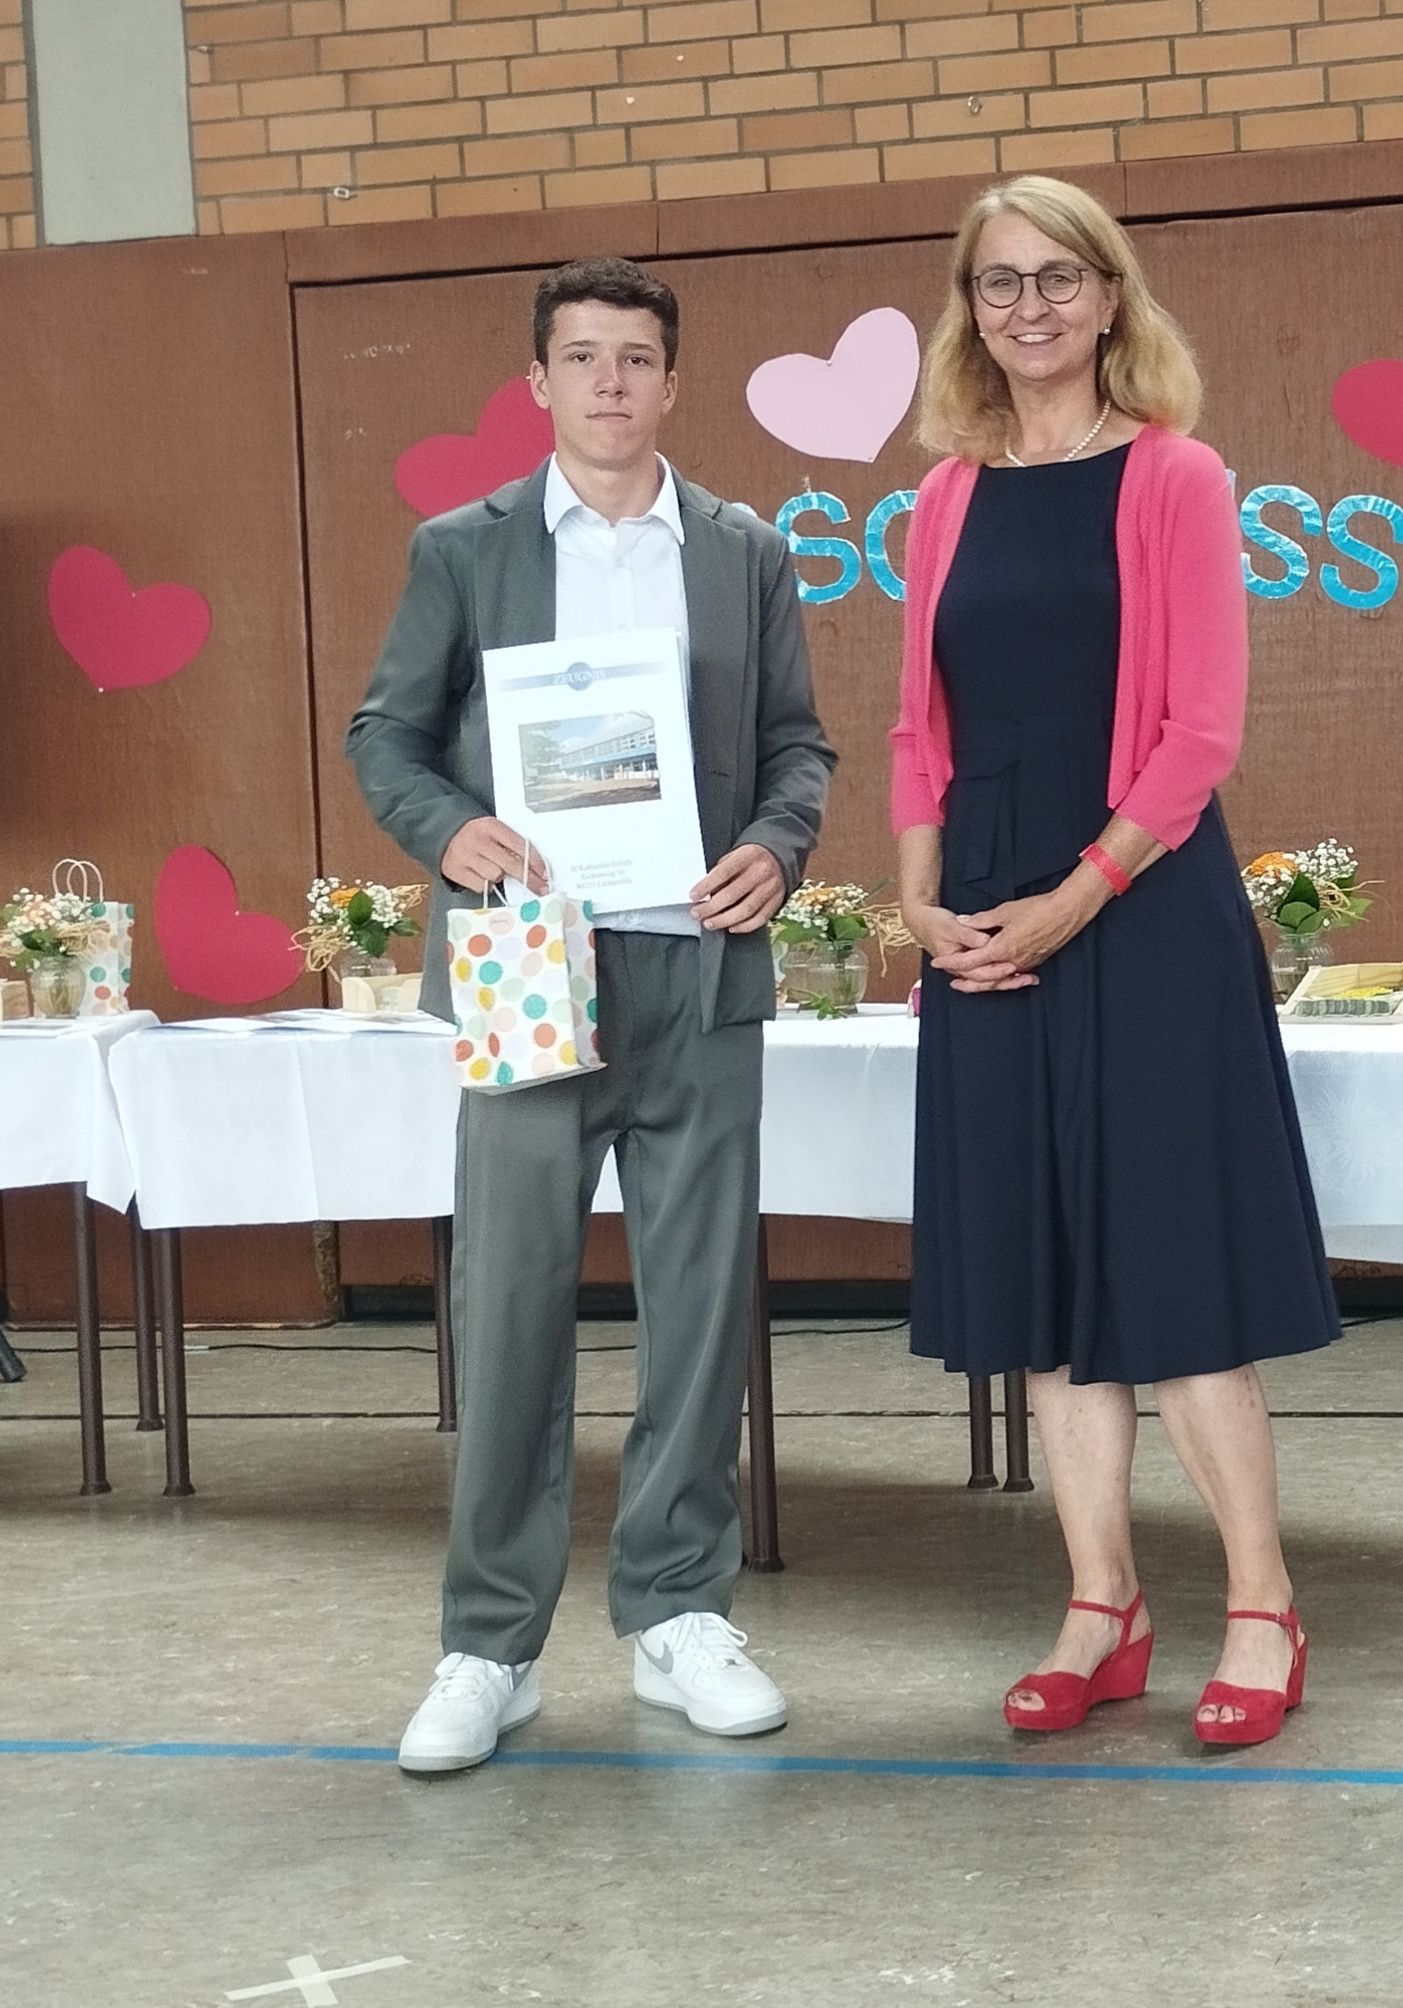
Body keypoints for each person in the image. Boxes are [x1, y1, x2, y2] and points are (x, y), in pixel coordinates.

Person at [350, 257, 835, 1773]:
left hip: (698, 972)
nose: (611, 382)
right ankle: (489, 1645)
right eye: (582, 357)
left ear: (672, 384)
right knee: (507, 1312)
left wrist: (778, 845)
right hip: (528, 971)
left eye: (636, 358)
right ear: (539, 383)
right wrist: (449, 831)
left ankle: (679, 1612)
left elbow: (797, 747)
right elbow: (386, 734)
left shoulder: (745, 550)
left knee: (698, 1308)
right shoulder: (463, 548)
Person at [891, 177, 1340, 1749]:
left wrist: (1072, 899)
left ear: (1107, 298)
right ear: (969, 310)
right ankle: (1102, 1606)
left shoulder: (1176, 476)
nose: (1028, 308)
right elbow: (917, 729)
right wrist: (920, 903)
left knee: (1172, 1273)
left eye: (1057, 279)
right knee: (1039, 1277)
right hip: (986, 906)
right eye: (998, 282)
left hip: (1140, 906)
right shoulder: (944, 497)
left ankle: (1262, 1606)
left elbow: (1199, 732)